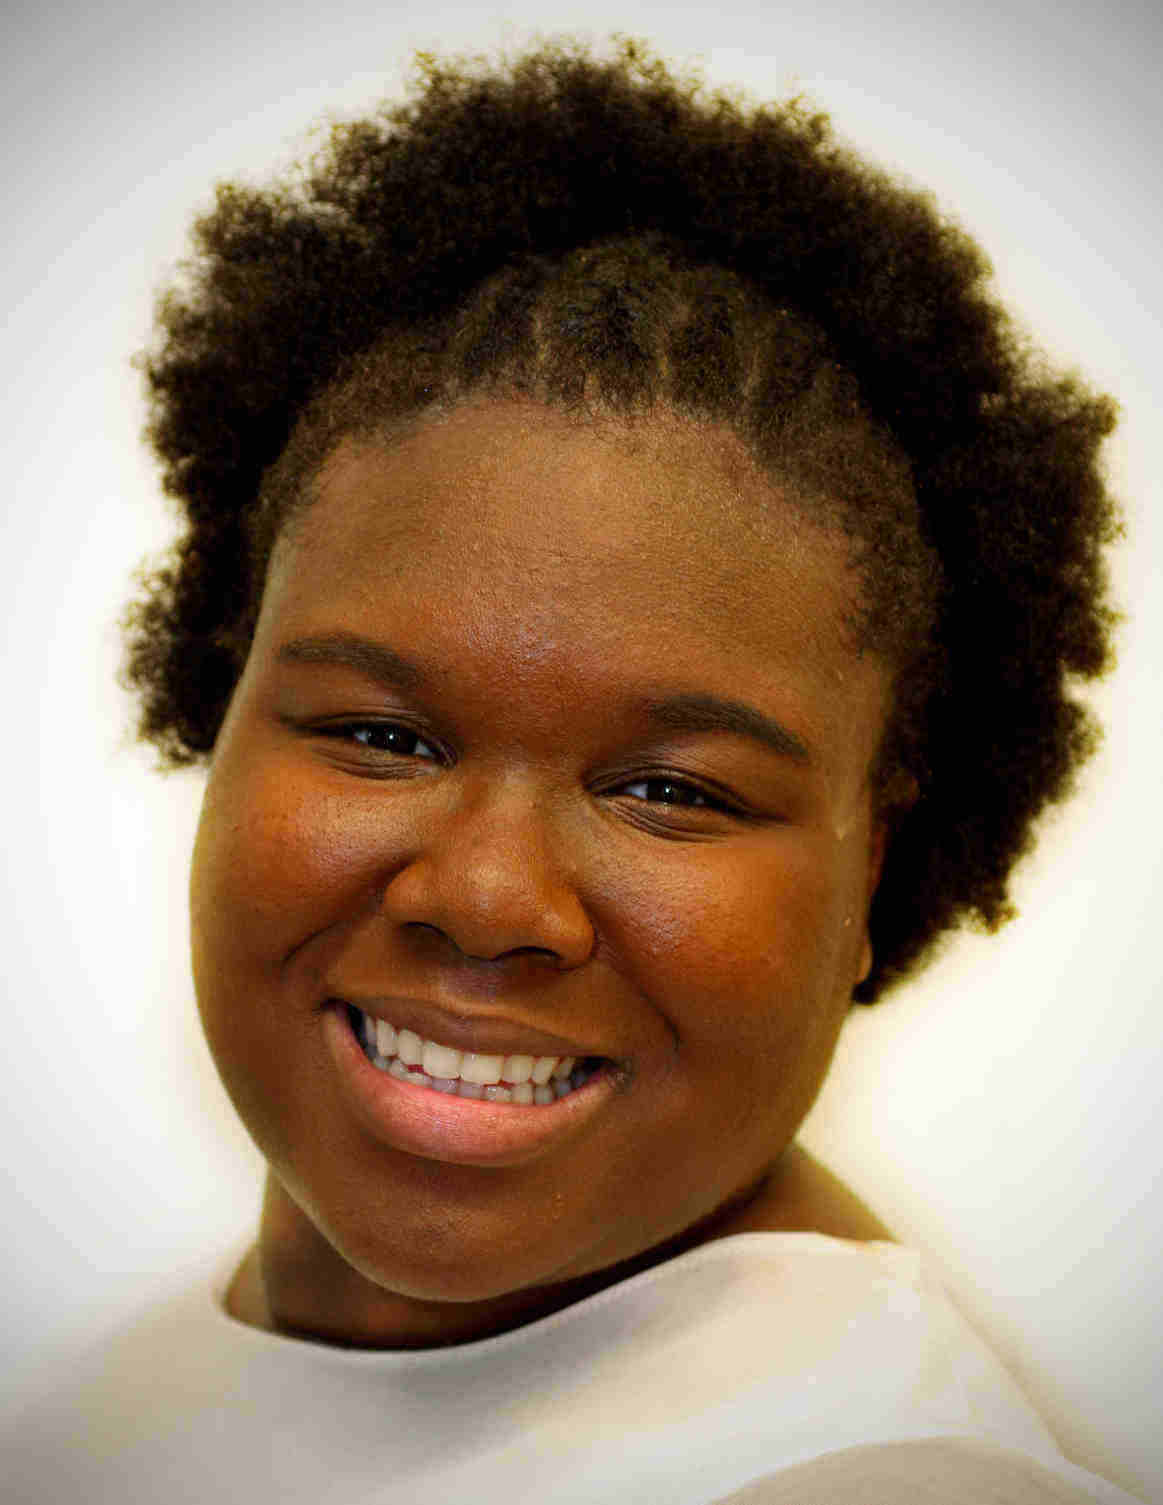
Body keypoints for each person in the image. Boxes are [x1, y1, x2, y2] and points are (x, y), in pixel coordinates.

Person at [5, 38, 1142, 1505]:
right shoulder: (111, 1397)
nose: (488, 897)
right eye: (383, 736)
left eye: (672, 790)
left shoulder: (887, 1479)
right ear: (222, 702)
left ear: (876, 865)